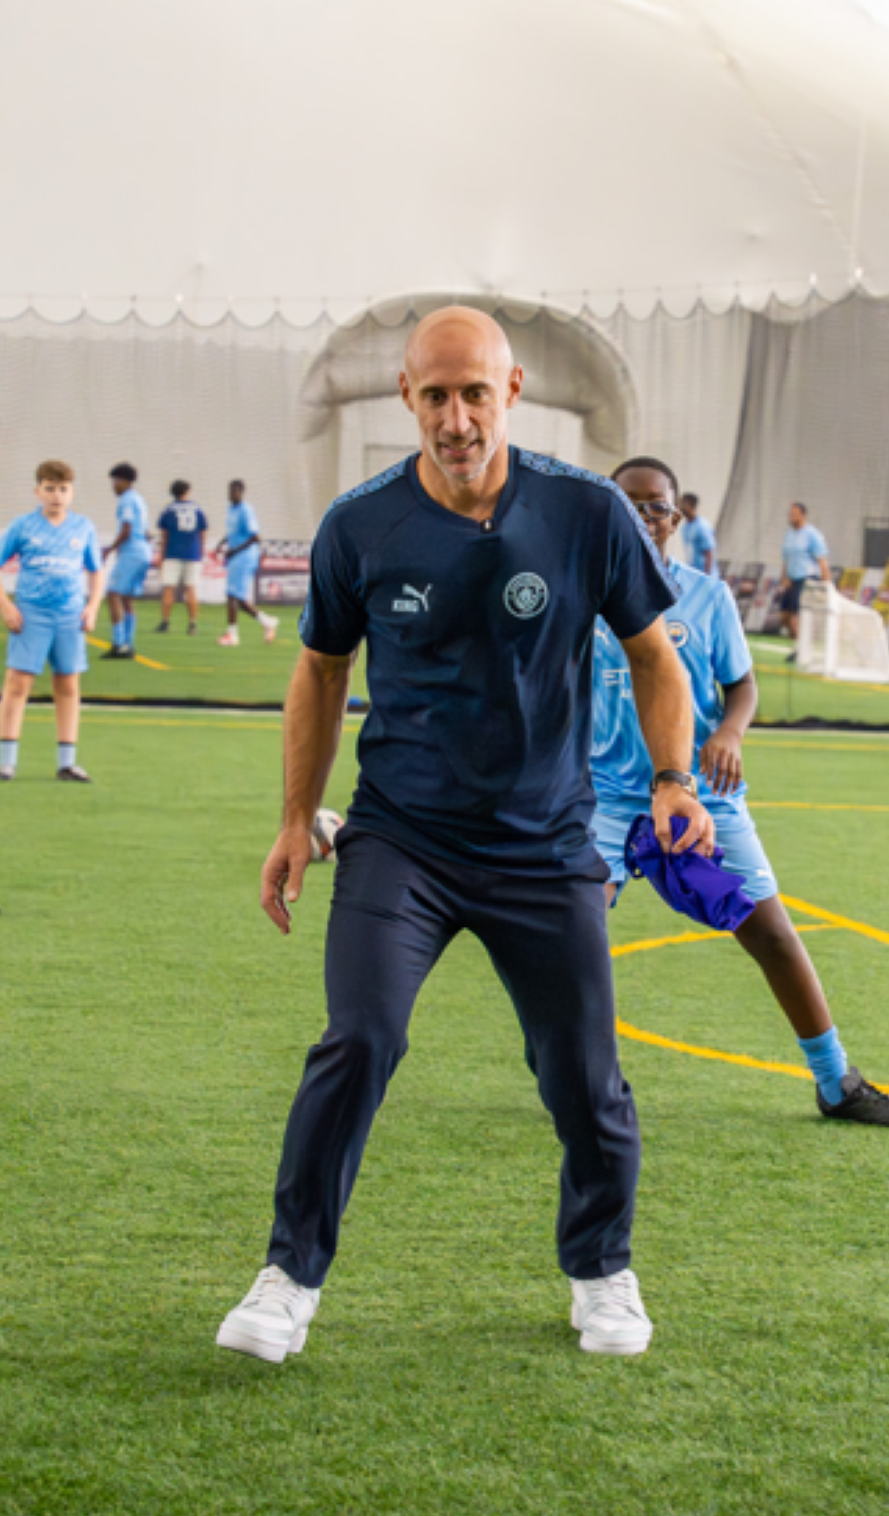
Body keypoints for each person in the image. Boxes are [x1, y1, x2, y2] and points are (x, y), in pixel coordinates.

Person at [218, 306, 707, 1367]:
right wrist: (297, 820)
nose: (453, 418)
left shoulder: (586, 515)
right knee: (359, 1038)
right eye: (433, 395)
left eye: (473, 394)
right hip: (404, 842)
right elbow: (318, 670)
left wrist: (673, 779)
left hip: (544, 848)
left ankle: (600, 1268)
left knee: (583, 1076)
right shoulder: (360, 526)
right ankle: (287, 1277)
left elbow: (655, 657)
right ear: (405, 396)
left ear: (512, 390)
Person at [598, 458, 889, 1126]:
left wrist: (732, 734)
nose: (644, 518)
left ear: (676, 519)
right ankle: (578, 1076)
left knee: (770, 932)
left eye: (656, 506)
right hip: (601, 796)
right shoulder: (578, 594)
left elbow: (741, 686)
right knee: (571, 934)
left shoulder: (706, 597)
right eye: (628, 504)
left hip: (700, 796)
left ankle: (836, 1081)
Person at [0, 459, 102, 782]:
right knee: (18, 682)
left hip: (69, 615)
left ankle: (67, 762)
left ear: (72, 492)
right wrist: (4, 604)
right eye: (49, 489)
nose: (56, 496)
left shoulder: (83, 527)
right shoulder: (23, 526)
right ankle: (7, 761)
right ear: (38, 490)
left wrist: (92, 606)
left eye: (63, 489)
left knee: (67, 683)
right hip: (31, 614)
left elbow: (96, 568)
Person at [217, 477, 278, 646]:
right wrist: (221, 544)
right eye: (229, 491)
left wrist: (234, 550)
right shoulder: (231, 509)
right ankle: (267, 622)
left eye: (234, 491)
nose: (231, 494)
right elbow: (233, 532)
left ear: (241, 492)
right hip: (236, 556)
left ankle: (232, 635)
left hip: (244, 557)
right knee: (237, 598)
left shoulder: (246, 510)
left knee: (232, 596)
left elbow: (255, 537)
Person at [100, 463, 149, 658]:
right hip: (143, 551)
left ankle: (119, 644)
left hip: (132, 552)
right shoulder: (139, 499)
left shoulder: (127, 500)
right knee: (127, 598)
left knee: (113, 594)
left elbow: (127, 529)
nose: (114, 486)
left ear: (124, 481)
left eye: (115, 481)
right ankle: (128, 643)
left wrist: (109, 549)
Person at [156, 478, 210, 634]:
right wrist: (201, 551)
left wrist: (162, 554)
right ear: (187, 492)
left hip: (172, 553)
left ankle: (165, 622)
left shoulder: (169, 510)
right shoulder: (197, 509)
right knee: (190, 588)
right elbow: (203, 532)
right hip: (192, 553)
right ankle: (192, 624)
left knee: (168, 588)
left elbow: (164, 534)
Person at [777, 501, 829, 648]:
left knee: (796, 616)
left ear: (802, 515)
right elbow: (787, 558)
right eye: (790, 514)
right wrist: (784, 577)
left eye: (794, 514)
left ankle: (802, 650)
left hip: (807, 580)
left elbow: (822, 561)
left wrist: (826, 584)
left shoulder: (812, 534)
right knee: (784, 616)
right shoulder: (789, 534)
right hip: (791, 580)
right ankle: (798, 646)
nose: (790, 517)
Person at [677, 491, 717, 574]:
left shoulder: (702, 526)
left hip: (704, 575)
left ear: (690, 505)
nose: (680, 507)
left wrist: (707, 576)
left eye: (683, 503)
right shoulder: (685, 527)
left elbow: (709, 552)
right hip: (694, 573)